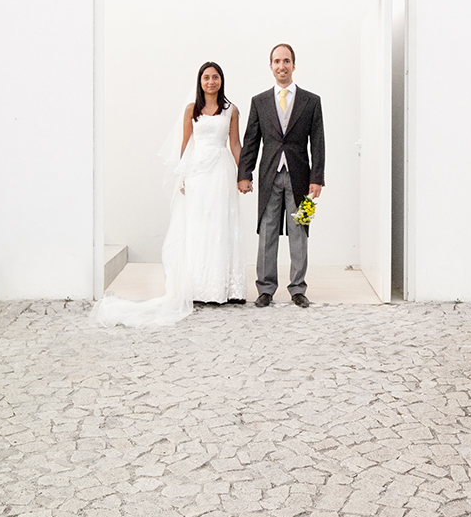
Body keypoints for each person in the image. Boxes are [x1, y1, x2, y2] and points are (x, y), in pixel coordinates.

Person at [93, 61, 249, 326]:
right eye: (206, 78)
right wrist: (182, 175)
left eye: (215, 77)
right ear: (200, 82)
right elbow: (185, 144)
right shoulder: (191, 110)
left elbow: (234, 142)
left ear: (221, 80)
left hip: (221, 172)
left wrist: (242, 173)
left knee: (221, 224)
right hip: (198, 172)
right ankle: (198, 287)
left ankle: (226, 288)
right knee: (198, 226)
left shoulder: (231, 110)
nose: (211, 82)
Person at [238, 44, 325, 308]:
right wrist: (245, 173)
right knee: (267, 231)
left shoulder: (312, 101)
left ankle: (298, 288)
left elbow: (318, 142)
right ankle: (265, 289)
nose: (282, 66)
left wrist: (317, 178)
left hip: (302, 179)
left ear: (294, 65)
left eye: (286, 61)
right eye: (277, 61)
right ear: (271, 66)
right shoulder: (259, 101)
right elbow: (251, 141)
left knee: (301, 230)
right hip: (268, 178)